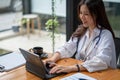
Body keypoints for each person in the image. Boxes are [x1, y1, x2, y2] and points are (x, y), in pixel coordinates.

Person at [43, 0, 116, 73]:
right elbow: (67, 47)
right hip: (83, 72)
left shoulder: (106, 35)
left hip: (103, 75)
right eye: (81, 13)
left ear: (96, 14)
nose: (82, 17)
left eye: (86, 14)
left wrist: (72, 68)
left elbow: (102, 61)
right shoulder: (82, 31)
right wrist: (53, 59)